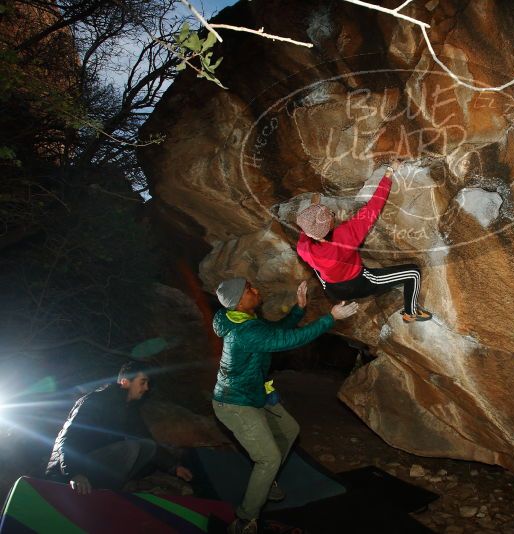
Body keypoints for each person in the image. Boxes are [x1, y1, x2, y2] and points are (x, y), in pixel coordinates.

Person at [212, 277, 358, 534]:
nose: (256, 290)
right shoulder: (245, 331)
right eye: (249, 289)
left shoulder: (244, 321)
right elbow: (286, 341)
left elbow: (276, 332)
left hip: (253, 394)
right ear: (237, 301)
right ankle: (245, 519)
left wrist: (298, 309)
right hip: (234, 402)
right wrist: (330, 318)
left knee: (289, 430)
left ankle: (265, 482)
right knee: (268, 458)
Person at [295, 160, 433, 323]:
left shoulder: (302, 247)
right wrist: (389, 172)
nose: (332, 214)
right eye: (330, 214)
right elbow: (373, 207)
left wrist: (313, 209)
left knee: (319, 266)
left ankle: (343, 294)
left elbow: (308, 231)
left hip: (332, 290)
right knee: (413, 273)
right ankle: (410, 312)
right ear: (330, 224)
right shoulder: (346, 235)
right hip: (358, 283)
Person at [45, 361, 193, 495]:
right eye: (142, 382)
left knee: (148, 446)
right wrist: (74, 473)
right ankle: (104, 491)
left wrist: (174, 467)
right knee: (130, 448)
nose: (146, 388)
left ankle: (109, 490)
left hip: (95, 465)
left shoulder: (129, 411)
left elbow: (145, 439)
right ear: (125, 382)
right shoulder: (96, 400)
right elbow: (70, 437)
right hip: (69, 471)